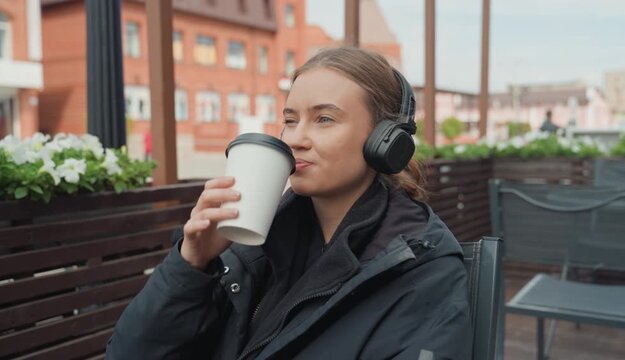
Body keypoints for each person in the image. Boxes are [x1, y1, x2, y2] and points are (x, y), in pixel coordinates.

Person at [106, 47, 471, 360]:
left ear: (385, 141)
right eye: (290, 120)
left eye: (324, 119)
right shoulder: (256, 240)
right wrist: (191, 264)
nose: (295, 139)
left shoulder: (422, 268)